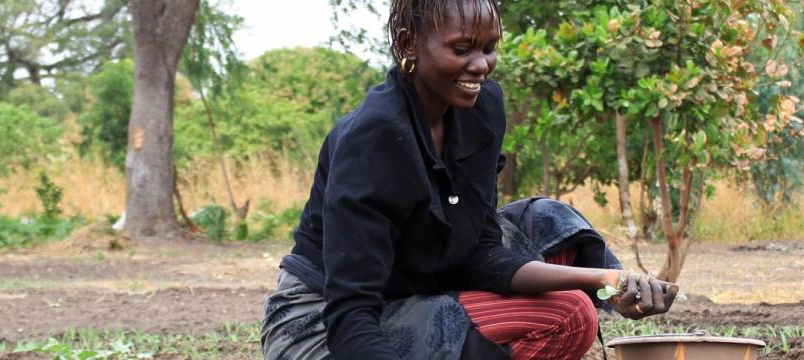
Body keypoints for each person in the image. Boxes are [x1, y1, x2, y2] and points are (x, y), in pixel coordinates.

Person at [260, 0, 679, 359]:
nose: (480, 66)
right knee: (566, 315)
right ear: (409, 44)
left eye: (489, 48)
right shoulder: (376, 139)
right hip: (322, 323)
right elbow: (350, 311)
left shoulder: (482, 108)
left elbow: (482, 254)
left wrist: (604, 279)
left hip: (421, 281)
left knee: (553, 223)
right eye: (462, 49)